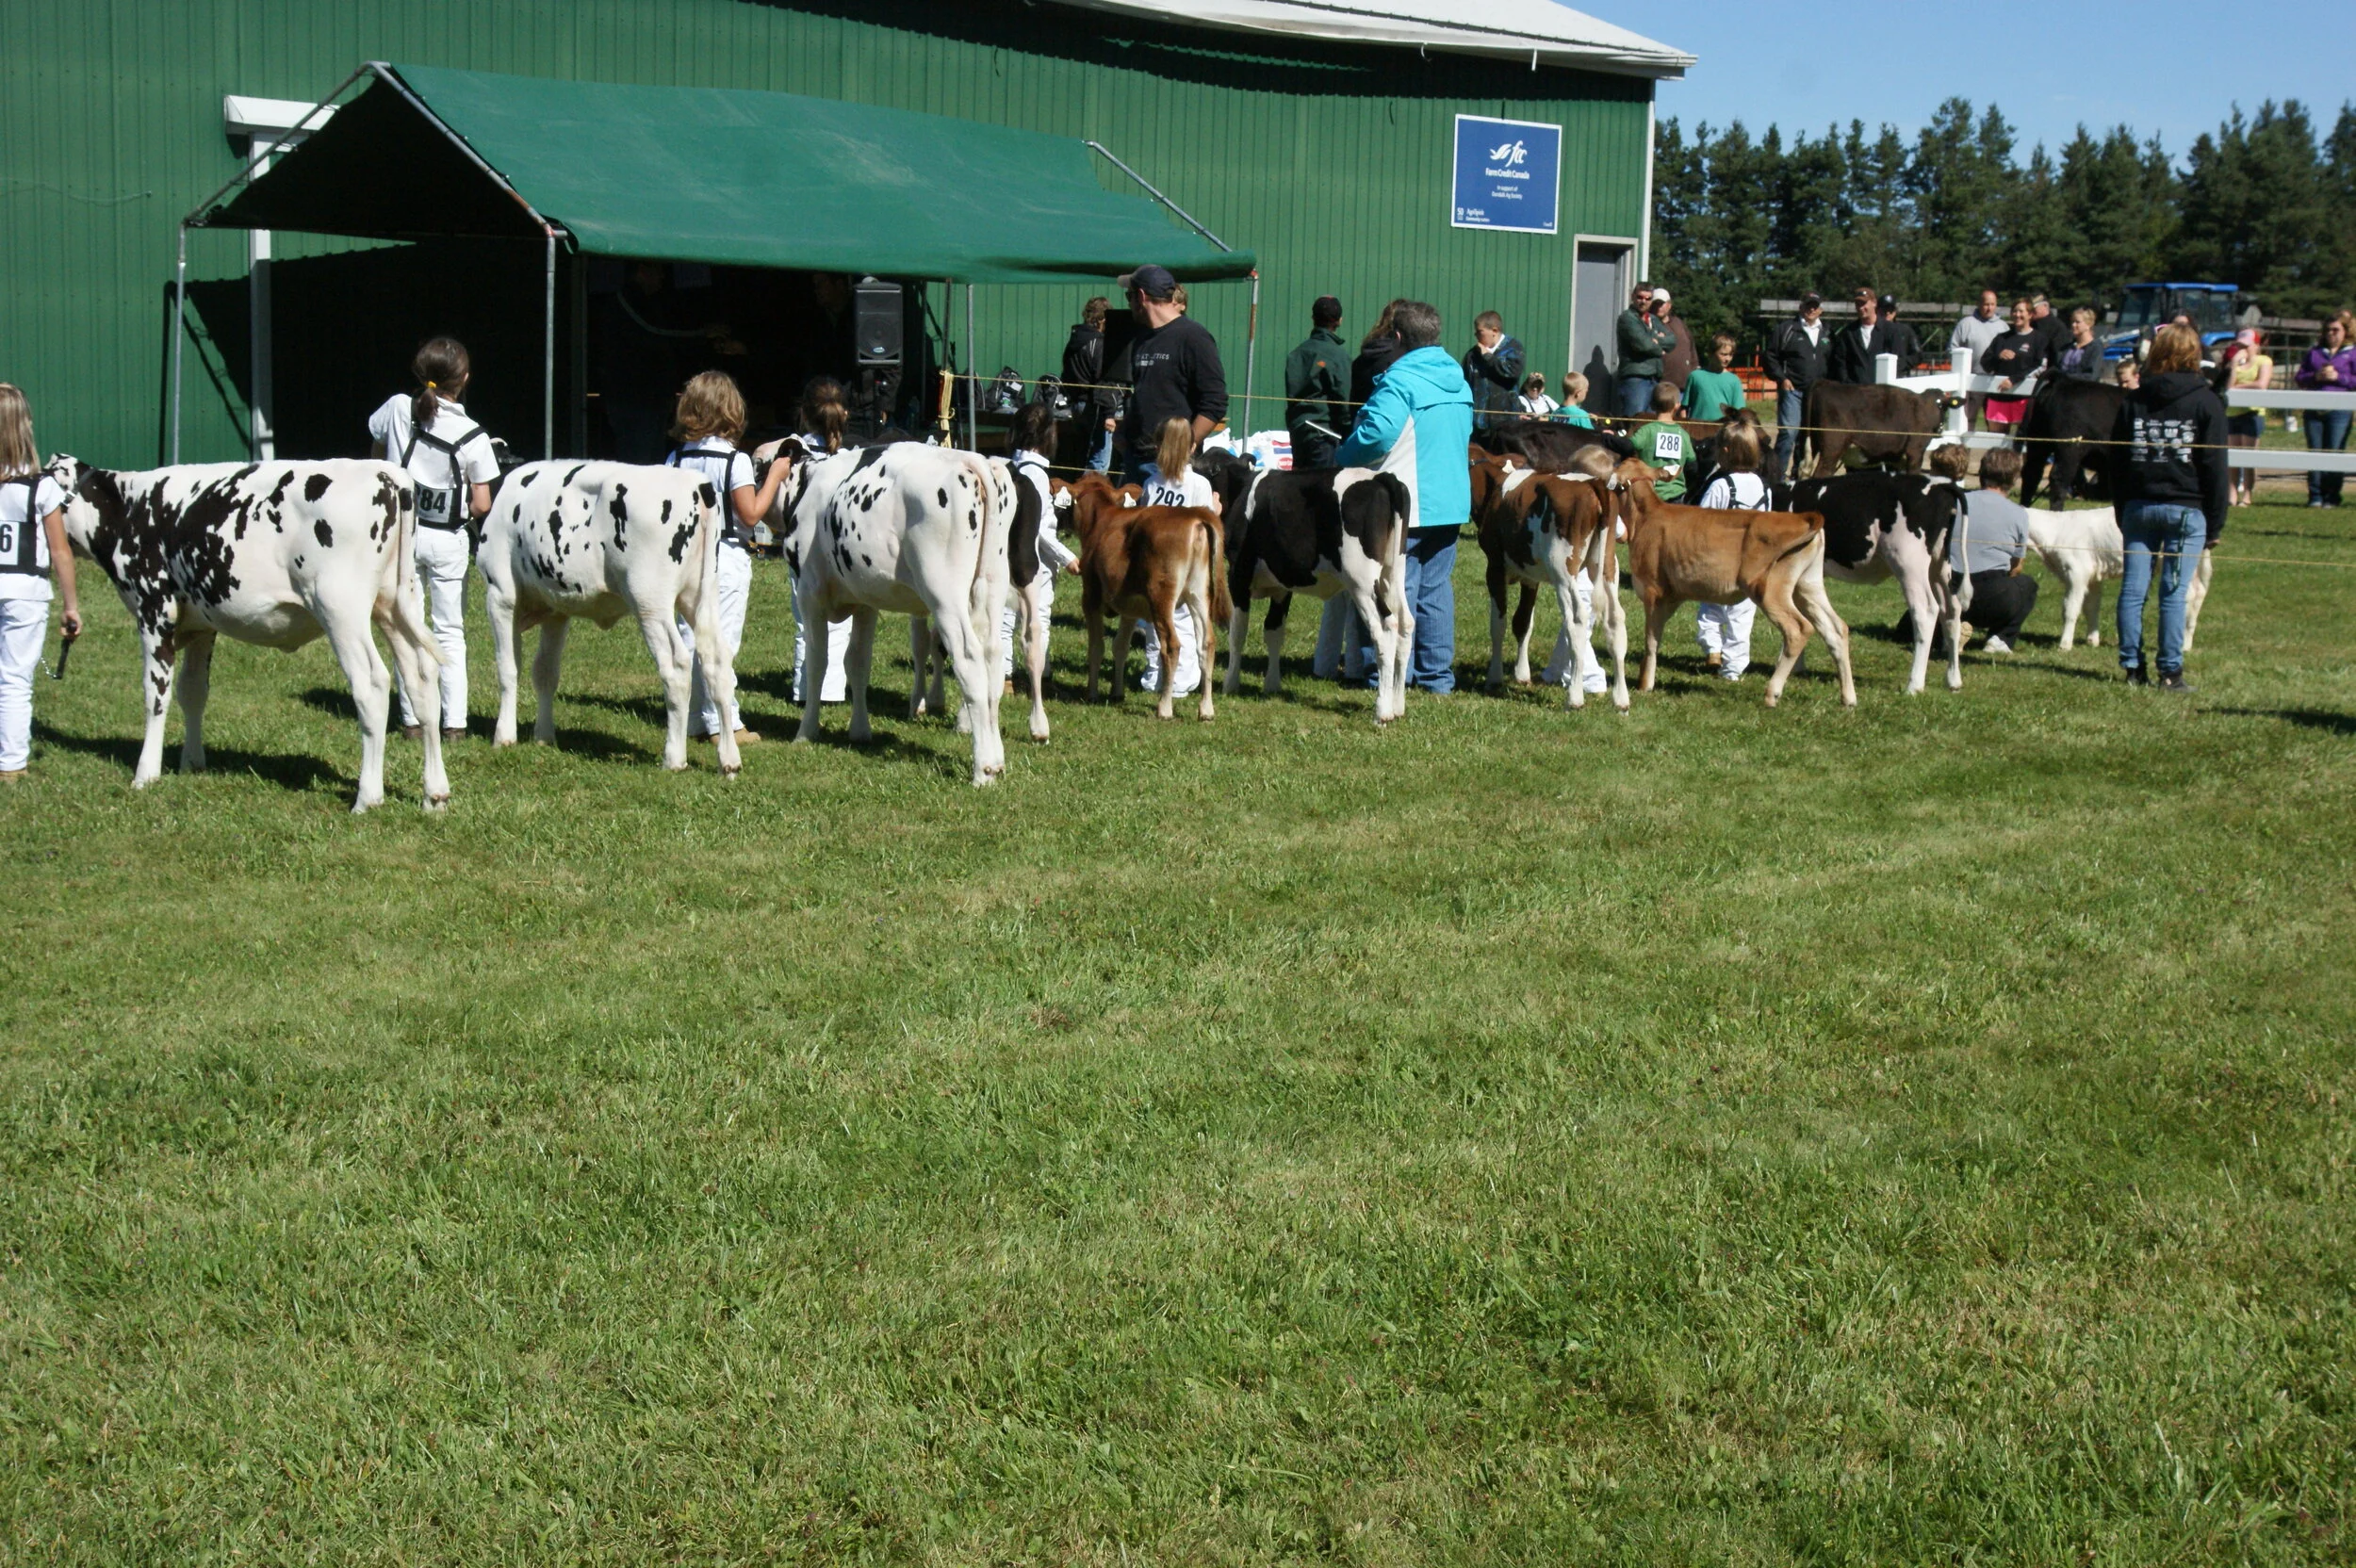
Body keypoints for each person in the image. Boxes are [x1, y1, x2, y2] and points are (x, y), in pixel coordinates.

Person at [1338, 299, 1474, 694]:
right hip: (1449, 501)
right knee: (1434, 590)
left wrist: (1341, 457)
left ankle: (1389, 673)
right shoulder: (1458, 379)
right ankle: (1436, 677)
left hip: (1403, 501)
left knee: (1389, 588)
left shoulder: (1399, 381)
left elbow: (1376, 435)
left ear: (1396, 337)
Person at [368, 336, 499, 743]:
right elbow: (481, 504)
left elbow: (374, 458)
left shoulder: (395, 408)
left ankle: (412, 720)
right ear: (464, 378)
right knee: (449, 631)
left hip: (399, 539)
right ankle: (454, 723)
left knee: (406, 627)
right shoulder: (472, 433)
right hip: (446, 541)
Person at [666, 370, 793, 745]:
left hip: (686, 555)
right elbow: (750, 514)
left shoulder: (675, 458)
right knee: (722, 641)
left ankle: (690, 718)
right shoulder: (733, 461)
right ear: (730, 411)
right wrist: (774, 477)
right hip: (725, 556)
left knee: (688, 636)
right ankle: (725, 722)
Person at [2108, 322, 2228, 692]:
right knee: (2174, 593)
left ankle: (2132, 669)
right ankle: (2171, 672)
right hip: (2186, 508)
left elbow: (2117, 461)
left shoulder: (2134, 400)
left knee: (2133, 589)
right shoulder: (2206, 401)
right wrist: (2216, 523)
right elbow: (2215, 467)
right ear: (2194, 355)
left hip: (2139, 506)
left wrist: (2121, 508)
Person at [0, 384, 81, 781]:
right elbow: (60, 551)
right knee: (14, 679)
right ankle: (11, 764)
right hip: (25, 592)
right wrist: (71, 606)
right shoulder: (43, 486)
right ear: (23, 428)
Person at [1116, 264, 1226, 481]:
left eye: (1129, 296)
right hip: (1136, 459)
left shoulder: (1194, 337)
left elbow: (1215, 402)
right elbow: (1143, 392)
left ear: (1141, 296)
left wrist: (1183, 448)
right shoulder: (1141, 338)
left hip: (1172, 467)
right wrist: (1124, 431)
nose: (1128, 303)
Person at [1135, 416, 1218, 699]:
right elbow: (1205, 531)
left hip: (1155, 563)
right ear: (1192, 448)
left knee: (1157, 619)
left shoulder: (1152, 484)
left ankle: (1154, 676)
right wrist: (1215, 511)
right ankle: (1182, 679)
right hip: (1189, 562)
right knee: (1185, 616)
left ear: (1160, 446)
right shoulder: (1200, 485)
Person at [1001, 400, 1080, 685]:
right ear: (1049, 435)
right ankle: (1039, 672)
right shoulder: (1036, 475)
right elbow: (1042, 529)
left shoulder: (1008, 467)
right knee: (1038, 615)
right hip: (1034, 559)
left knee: (1005, 614)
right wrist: (1067, 557)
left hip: (1004, 553)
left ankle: (1003, 673)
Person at [790, 377, 856, 705]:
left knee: (806, 618)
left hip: (802, 545)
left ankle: (806, 689)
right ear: (844, 414)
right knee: (842, 617)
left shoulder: (791, 453)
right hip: (843, 546)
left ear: (803, 414)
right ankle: (832, 689)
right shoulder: (852, 460)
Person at [1693, 421, 1769, 679]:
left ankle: (1713, 649)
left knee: (1711, 607)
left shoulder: (1721, 485)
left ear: (1724, 451)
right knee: (1742, 617)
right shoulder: (1763, 486)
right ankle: (1733, 669)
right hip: (1750, 561)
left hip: (1719, 559)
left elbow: (1701, 521)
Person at [1949, 447, 2038, 654]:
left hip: (1949, 589)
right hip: (1993, 596)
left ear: (1981, 472)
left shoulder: (1956, 502)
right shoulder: (2019, 514)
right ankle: (2001, 638)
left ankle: (1949, 630)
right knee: (2028, 585)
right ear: (2014, 478)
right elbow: (2016, 567)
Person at [1761, 292, 1829, 480]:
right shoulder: (1786, 329)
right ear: (1801, 307)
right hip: (1793, 391)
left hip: (1817, 394)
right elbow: (1770, 356)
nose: (1811, 309)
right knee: (1789, 433)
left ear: (1821, 309)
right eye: (1808, 305)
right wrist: (1781, 378)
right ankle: (1776, 475)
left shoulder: (1828, 332)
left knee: (1807, 437)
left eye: (1815, 306)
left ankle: (1798, 475)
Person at [2294, 312, 2355, 508]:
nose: (2331, 334)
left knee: (2335, 451)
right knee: (2314, 451)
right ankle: (2315, 496)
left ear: (2345, 331)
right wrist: (2315, 377)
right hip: (2314, 409)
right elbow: (2300, 378)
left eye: (2336, 330)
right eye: (2328, 330)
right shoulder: (2314, 352)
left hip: (2340, 409)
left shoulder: (2352, 353)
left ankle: (2332, 496)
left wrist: (2339, 377)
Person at [1284, 295, 1350, 469]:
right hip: (1325, 435)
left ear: (1313, 318)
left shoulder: (1296, 353)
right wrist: (1348, 431)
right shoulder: (1337, 355)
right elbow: (1344, 400)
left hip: (1299, 432)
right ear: (1340, 321)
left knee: (1299, 491)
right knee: (1322, 494)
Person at [1061, 296, 1120, 473]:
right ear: (1102, 319)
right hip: (1095, 406)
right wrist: (1109, 413)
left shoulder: (1074, 341)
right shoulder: (1099, 343)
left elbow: (1066, 374)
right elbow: (1104, 380)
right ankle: (1092, 498)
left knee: (1083, 455)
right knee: (1099, 461)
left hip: (1077, 405)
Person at [2220, 330, 2274, 506]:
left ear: (2257, 345)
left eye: (2247, 345)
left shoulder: (2263, 361)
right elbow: (2228, 386)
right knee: (2233, 458)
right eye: (2240, 345)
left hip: (2252, 413)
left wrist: (2238, 387)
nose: (2243, 348)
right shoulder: (2235, 363)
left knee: (2249, 458)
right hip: (2232, 413)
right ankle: (2232, 493)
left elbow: (2261, 384)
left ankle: (2248, 495)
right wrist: (2235, 363)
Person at [1979, 299, 2043, 433]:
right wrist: (1998, 357)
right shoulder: (2001, 338)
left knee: (2024, 443)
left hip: (2024, 399)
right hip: (1999, 397)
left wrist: (2013, 380)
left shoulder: (2039, 339)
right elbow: (1985, 364)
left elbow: (2039, 366)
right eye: (2014, 311)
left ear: (2030, 314)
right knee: (1996, 445)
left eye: (2021, 311)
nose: (2017, 314)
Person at [1613, 284, 1677, 417]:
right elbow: (1643, 345)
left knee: (1651, 423)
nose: (1643, 301)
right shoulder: (1627, 318)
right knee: (1633, 421)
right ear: (1633, 297)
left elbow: (1672, 340)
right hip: (1636, 379)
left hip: (1655, 378)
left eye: (1648, 299)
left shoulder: (1653, 319)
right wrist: (1659, 348)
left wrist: (1653, 340)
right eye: (1640, 297)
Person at [1462, 311, 1526, 436]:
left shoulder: (1513, 348)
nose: (1476, 336)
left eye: (1480, 332)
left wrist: (1488, 357)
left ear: (1494, 331)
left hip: (1506, 423)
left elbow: (1512, 372)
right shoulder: (1472, 355)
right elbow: (1464, 382)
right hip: (1479, 424)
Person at [1951, 289, 2007, 428]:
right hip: (1971, 380)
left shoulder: (2003, 327)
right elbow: (1953, 348)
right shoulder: (1966, 324)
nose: (1989, 308)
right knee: (1967, 421)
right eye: (1986, 304)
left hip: (1995, 382)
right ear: (1979, 304)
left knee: (1996, 423)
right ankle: (1963, 449)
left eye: (1992, 304)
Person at [1629, 380, 1691, 501]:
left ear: (1651, 405)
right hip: (1676, 494)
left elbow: (1629, 445)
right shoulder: (1684, 435)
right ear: (1677, 405)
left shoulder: (1645, 431)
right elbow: (1692, 462)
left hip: (1649, 492)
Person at [1824, 288, 1893, 384]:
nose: (1861, 308)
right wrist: (1847, 383)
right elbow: (1841, 361)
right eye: (1858, 304)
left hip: (1883, 391)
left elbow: (1899, 360)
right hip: (1856, 392)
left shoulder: (1891, 330)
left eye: (1864, 303)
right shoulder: (1848, 333)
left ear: (1874, 303)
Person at [1682, 335, 1746, 422]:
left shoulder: (1734, 380)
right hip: (1696, 430)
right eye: (1724, 354)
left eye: (1731, 355)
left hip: (1721, 431)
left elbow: (1739, 413)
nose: (1728, 359)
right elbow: (1684, 408)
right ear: (1711, 353)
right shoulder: (1695, 376)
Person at [1654, 288, 1698, 395]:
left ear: (1669, 305)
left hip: (1685, 388)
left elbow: (1692, 348)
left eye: (1662, 303)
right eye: (1656, 303)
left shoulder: (1679, 324)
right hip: (1662, 389)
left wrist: (1694, 369)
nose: (1658, 307)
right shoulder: (1649, 325)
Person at [2053, 307, 2107, 384]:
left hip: (2082, 391)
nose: (2073, 325)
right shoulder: (2066, 347)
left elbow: (2092, 375)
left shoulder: (2095, 347)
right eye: (2072, 322)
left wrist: (2066, 377)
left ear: (2088, 324)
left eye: (2077, 322)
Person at [1879, 296, 1924, 375]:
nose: (1887, 313)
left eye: (1891, 310)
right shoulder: (1872, 330)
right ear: (1877, 311)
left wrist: (1901, 364)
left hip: (1900, 376)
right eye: (1884, 310)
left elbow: (1918, 355)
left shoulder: (1906, 331)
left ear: (1895, 312)